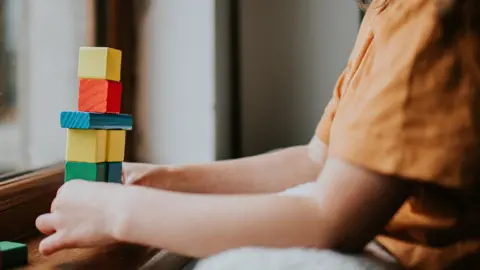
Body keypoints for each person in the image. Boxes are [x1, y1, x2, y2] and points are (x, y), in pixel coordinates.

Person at [35, 0, 480, 269]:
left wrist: (120, 212)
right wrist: (167, 177)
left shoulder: (430, 15)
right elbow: (317, 160)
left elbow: (331, 221)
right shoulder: (388, 12)